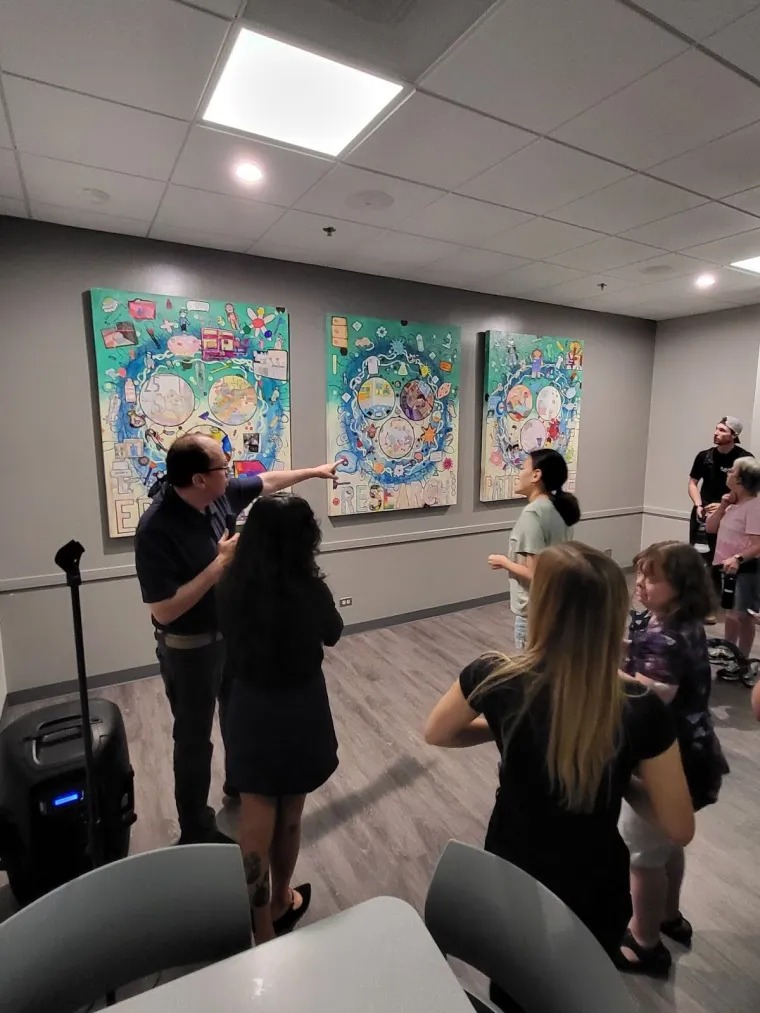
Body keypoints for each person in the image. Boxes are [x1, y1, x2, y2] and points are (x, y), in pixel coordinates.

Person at [425, 543, 694, 1008]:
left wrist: (507, 729)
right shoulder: (639, 705)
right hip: (594, 882)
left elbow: (438, 733)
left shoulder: (494, 675)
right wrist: (619, 778)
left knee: (512, 983)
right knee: (576, 991)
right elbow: (679, 827)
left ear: (543, 605)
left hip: (510, 869)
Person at [134, 434, 338, 845]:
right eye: (224, 468)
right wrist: (220, 564)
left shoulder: (218, 495)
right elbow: (163, 611)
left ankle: (240, 785)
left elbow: (268, 482)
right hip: (190, 648)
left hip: (231, 637)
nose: (231, 473)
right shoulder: (156, 528)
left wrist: (315, 472)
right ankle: (195, 828)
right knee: (193, 738)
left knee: (235, 716)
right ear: (199, 478)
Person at [218, 494, 343, 942]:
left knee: (255, 814)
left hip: (250, 706)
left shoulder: (229, 587)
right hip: (300, 707)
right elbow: (333, 633)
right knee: (290, 813)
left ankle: (262, 927)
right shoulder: (309, 590)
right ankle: (281, 900)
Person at [619, 542, 728, 976]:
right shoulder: (673, 622)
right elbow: (641, 650)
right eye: (640, 573)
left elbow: (647, 694)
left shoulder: (668, 636)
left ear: (680, 587)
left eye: (652, 577)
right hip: (693, 754)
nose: (640, 583)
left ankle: (644, 942)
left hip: (669, 761)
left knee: (642, 854)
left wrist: (597, 667)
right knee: (667, 842)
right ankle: (669, 916)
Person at [487, 449, 580, 650]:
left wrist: (503, 562)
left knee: (531, 666)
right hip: (555, 605)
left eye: (523, 468)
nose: (518, 473)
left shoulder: (533, 514)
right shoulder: (559, 509)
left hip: (534, 612)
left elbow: (535, 573)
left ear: (536, 475)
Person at [705, 455, 760, 658]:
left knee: (743, 616)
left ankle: (741, 658)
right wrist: (722, 506)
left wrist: (737, 558)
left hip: (745, 569)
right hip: (727, 568)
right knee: (731, 613)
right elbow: (710, 528)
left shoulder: (755, 507)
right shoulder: (732, 503)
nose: (728, 473)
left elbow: (758, 545)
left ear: (740, 479)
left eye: (732, 471)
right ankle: (728, 651)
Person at [688, 417, 752, 582]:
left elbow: (748, 492)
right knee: (699, 557)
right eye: (716, 429)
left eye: (722, 430)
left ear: (734, 435)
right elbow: (693, 483)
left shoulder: (744, 459)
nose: (716, 433)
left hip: (729, 515)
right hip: (703, 512)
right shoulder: (704, 456)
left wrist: (724, 506)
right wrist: (698, 505)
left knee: (722, 559)